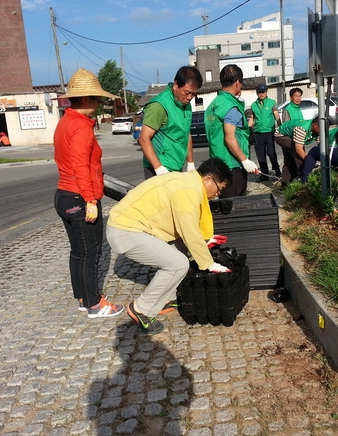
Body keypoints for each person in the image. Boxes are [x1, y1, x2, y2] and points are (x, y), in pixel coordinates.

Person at [106, 158, 233, 335]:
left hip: (135, 227)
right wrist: (209, 263)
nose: (217, 195)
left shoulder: (189, 182)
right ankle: (141, 309)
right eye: (220, 189)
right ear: (207, 180)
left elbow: (185, 227)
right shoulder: (188, 190)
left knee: (181, 249)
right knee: (178, 264)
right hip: (125, 231)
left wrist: (203, 243)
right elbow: (188, 230)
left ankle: (166, 299)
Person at [53, 68, 124, 319]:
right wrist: (91, 200)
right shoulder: (81, 126)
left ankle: (83, 298)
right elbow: (81, 165)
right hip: (79, 197)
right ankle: (95, 304)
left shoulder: (65, 122)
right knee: (92, 251)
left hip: (64, 195)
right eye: (96, 98)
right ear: (85, 99)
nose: (99, 102)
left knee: (79, 251)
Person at [139, 66, 203, 179]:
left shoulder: (186, 105)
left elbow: (186, 133)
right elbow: (144, 139)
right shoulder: (159, 105)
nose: (189, 98)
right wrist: (159, 168)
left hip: (176, 165)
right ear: (176, 85)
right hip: (159, 167)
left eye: (193, 94)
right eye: (187, 92)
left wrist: (191, 163)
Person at [205, 64, 259, 198]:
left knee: (223, 201)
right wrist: (245, 160)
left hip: (218, 162)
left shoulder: (214, 104)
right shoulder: (231, 107)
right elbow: (229, 138)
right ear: (237, 82)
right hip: (233, 165)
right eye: (241, 83)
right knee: (234, 203)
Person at [249, 84, 281, 182]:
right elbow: (252, 118)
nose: (261, 94)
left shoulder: (272, 102)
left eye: (263, 92)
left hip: (269, 132)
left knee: (271, 154)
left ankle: (278, 172)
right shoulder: (254, 105)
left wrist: (281, 127)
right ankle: (264, 175)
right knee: (260, 156)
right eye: (259, 92)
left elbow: (276, 115)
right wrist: (248, 128)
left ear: (266, 92)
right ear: (257, 93)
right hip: (258, 133)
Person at [275, 87, 304, 186]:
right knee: (296, 158)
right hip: (290, 139)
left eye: (299, 96)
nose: (298, 98)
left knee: (289, 161)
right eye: (296, 96)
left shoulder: (298, 108)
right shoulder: (288, 110)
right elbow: (286, 127)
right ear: (291, 97)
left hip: (299, 138)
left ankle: (286, 182)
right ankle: (299, 179)